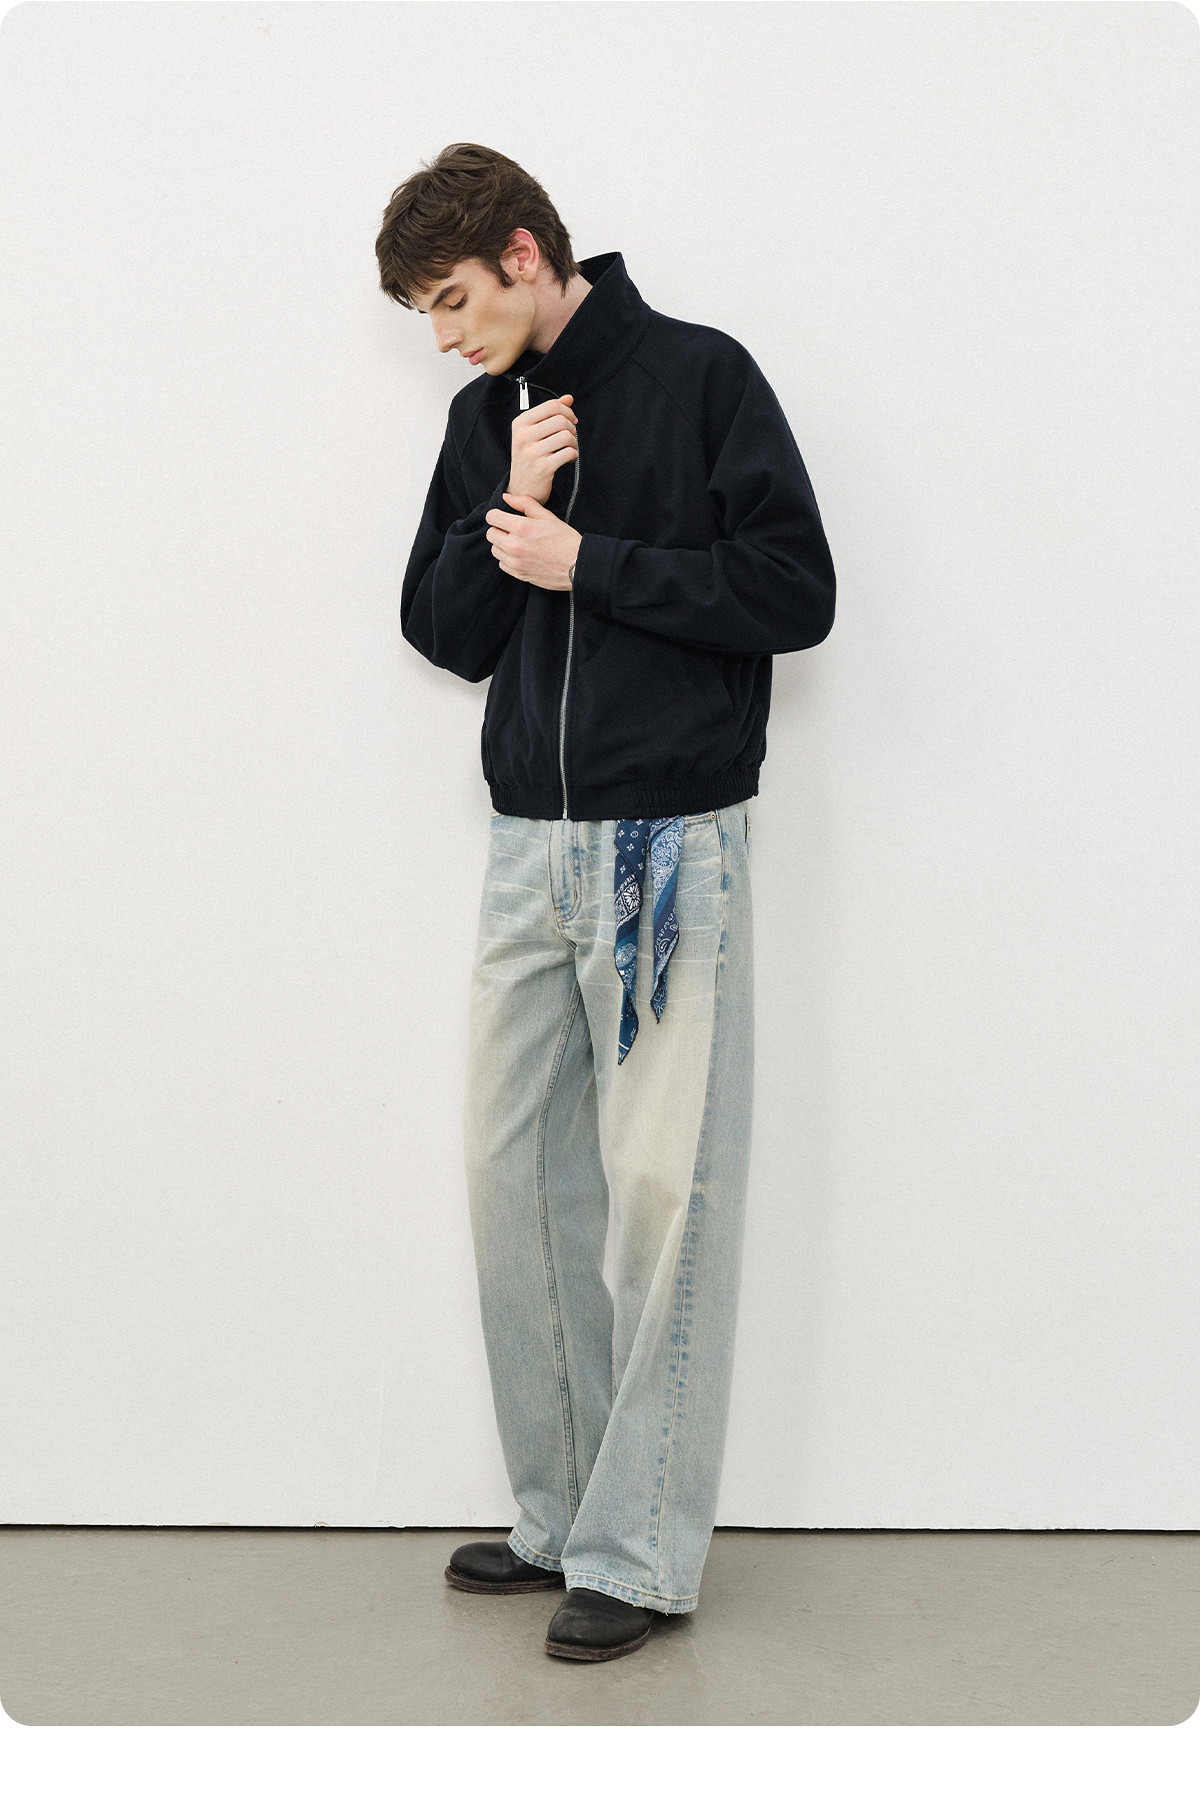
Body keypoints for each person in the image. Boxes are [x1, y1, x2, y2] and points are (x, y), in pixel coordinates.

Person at [376, 143, 836, 1663]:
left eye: (454, 301)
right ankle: (562, 1515)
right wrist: (506, 505)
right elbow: (445, 635)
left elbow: (795, 592)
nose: (445, 337)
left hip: (664, 850)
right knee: (511, 1179)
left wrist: (594, 562)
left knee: (662, 1197)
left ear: (523, 252)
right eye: (427, 316)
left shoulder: (699, 377)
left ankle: (634, 1554)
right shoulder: (483, 423)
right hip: (530, 850)